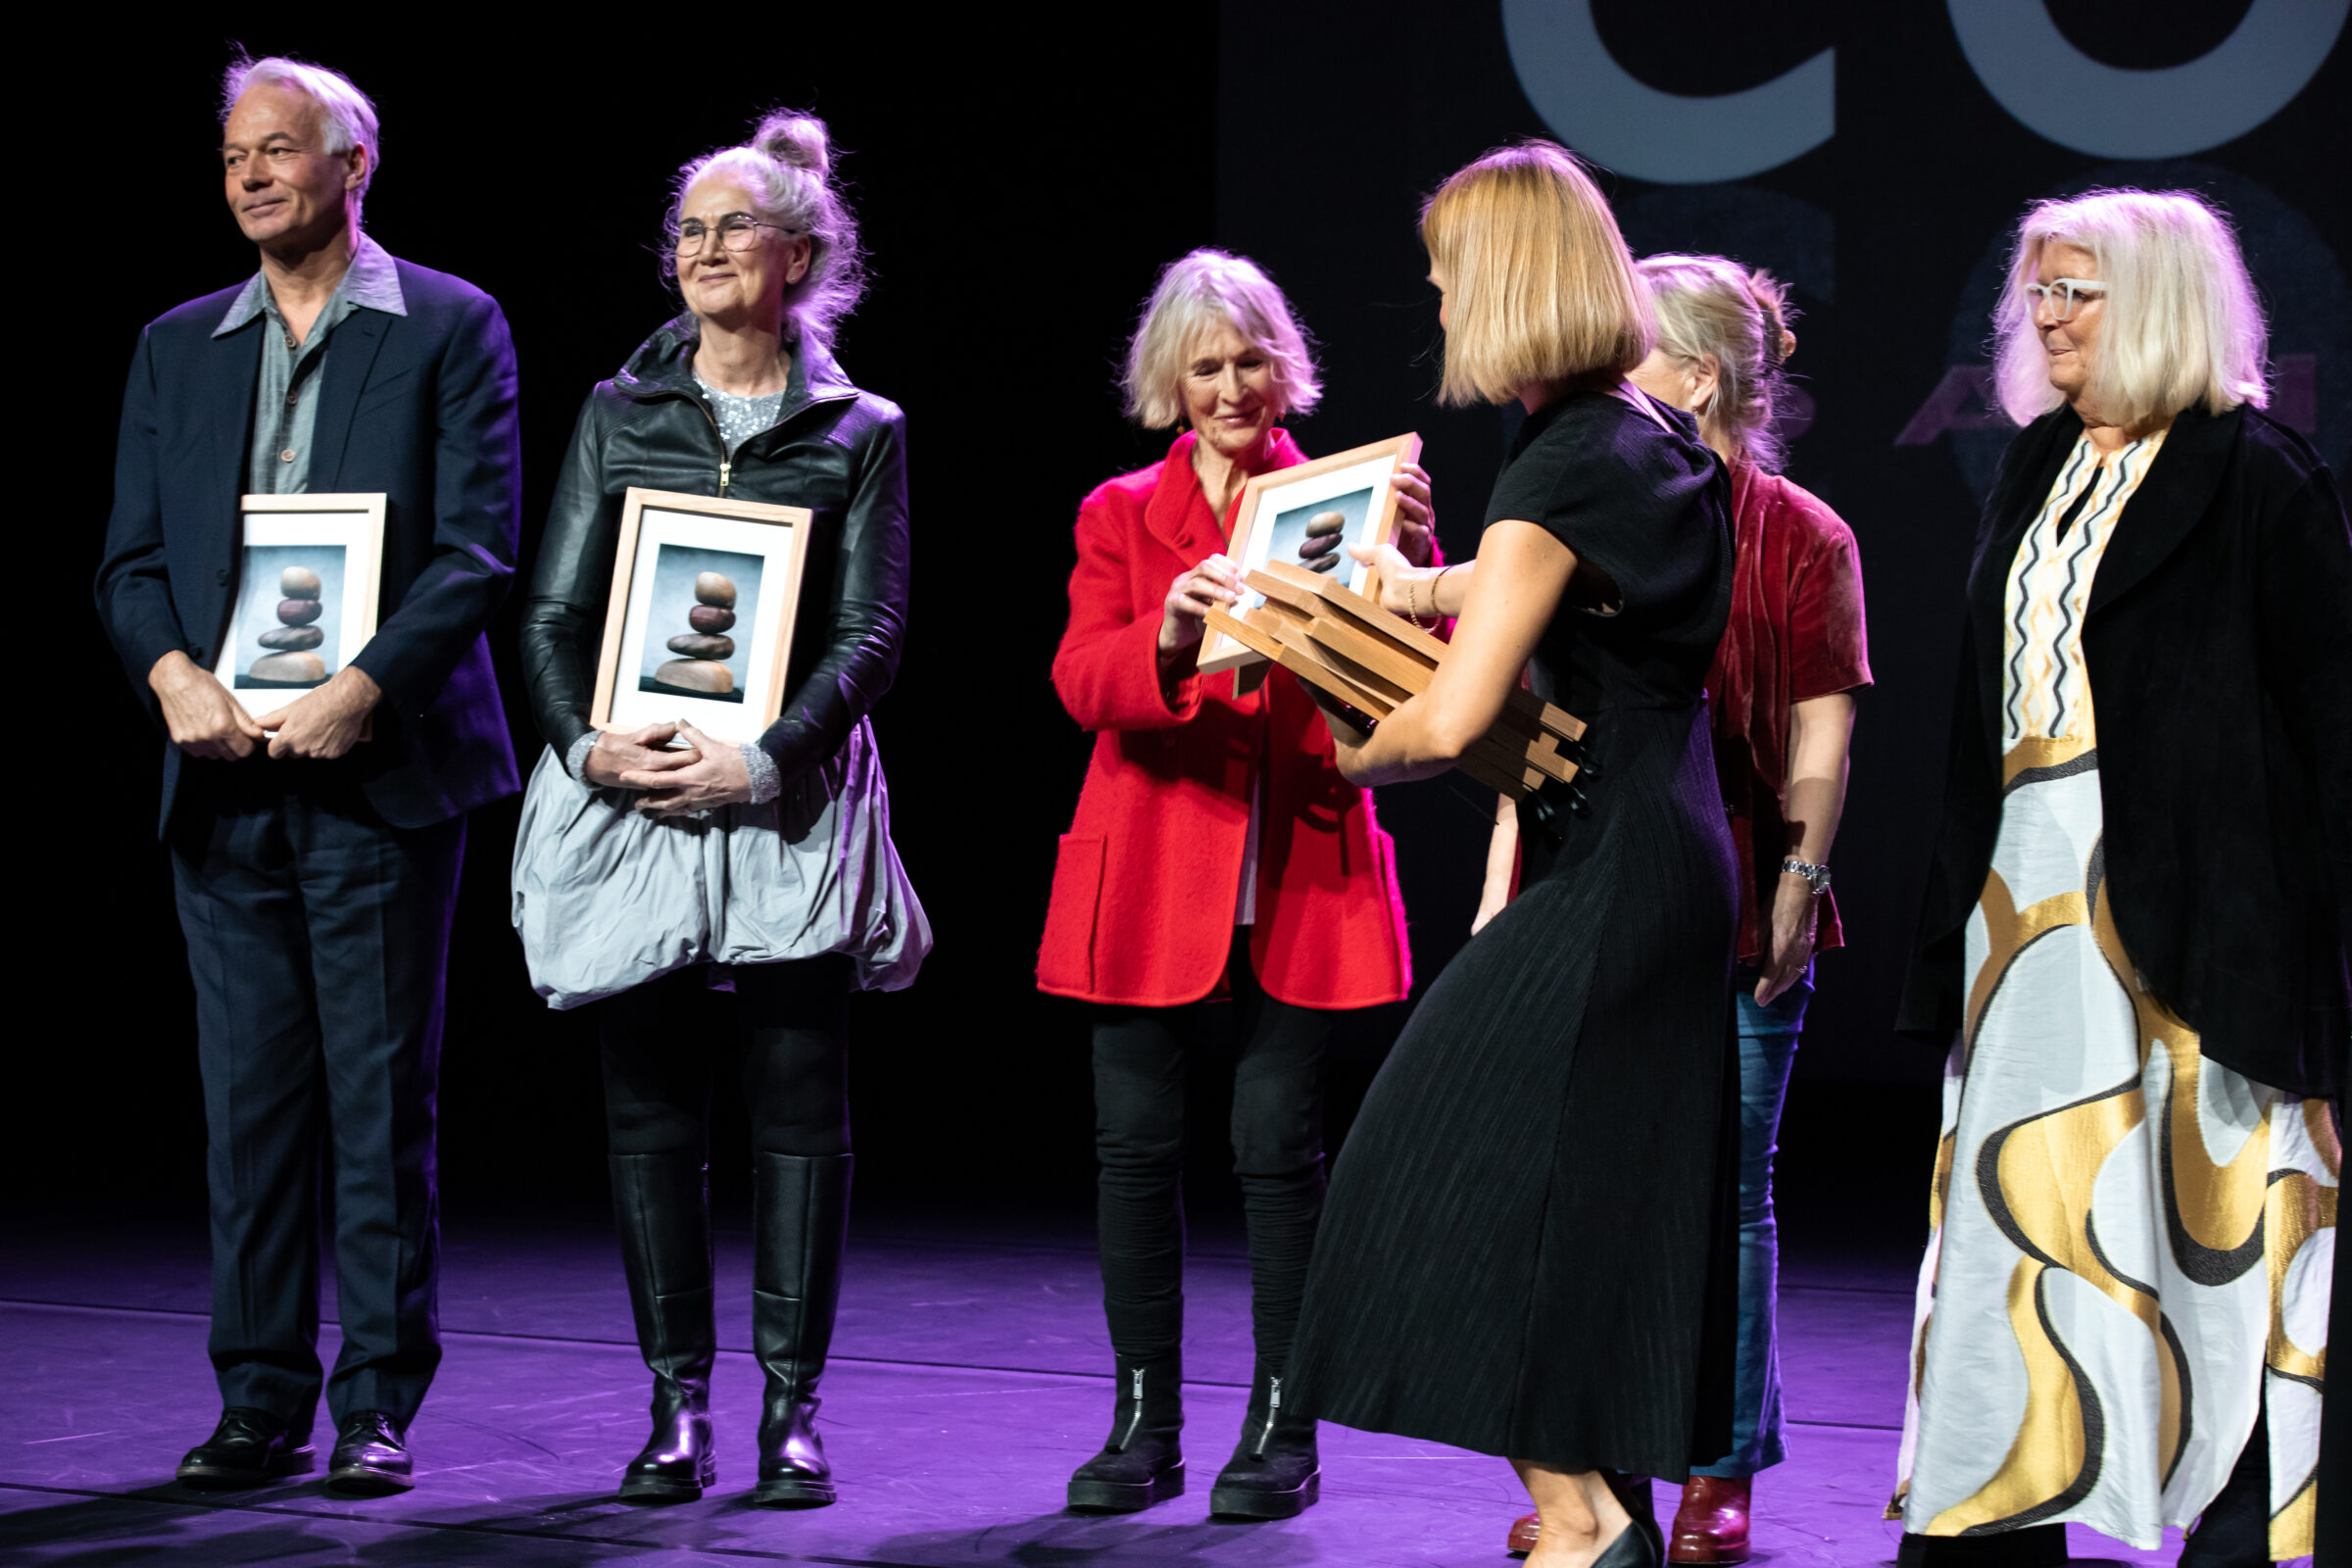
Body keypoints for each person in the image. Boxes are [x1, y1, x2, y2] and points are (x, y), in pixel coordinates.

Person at [1285, 141, 1739, 1568]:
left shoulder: (1559, 462)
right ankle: (1600, 1510)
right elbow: (1538, 574)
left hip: (1606, 867)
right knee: (1590, 1200)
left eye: (1444, 281)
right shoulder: (1649, 436)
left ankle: (1580, 1514)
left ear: (1499, 287)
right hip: (1669, 853)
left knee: (1414, 1168)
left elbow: (1456, 718)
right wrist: (1419, 583)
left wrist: (1348, 737)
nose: (1436, 306)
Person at [1889, 188, 2344, 1566]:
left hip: (2198, 926)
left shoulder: (2260, 478)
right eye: (2037, 291)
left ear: (2156, 305)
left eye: (2076, 290)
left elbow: (2328, 748)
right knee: (2025, 1224)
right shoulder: (2037, 461)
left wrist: (2324, 1007)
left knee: (2211, 1232)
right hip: (2025, 915)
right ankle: (1995, 1518)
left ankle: (2236, 1528)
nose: (2045, 317)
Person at [1396, 255, 1867, 1564]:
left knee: (1722, 1201)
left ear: (1700, 380)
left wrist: (1797, 884)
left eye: (1633, 347)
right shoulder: (1608, 489)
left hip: (1734, 898)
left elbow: (1821, 736)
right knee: (1585, 1193)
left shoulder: (1800, 532)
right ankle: (1600, 1471)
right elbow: (1540, 699)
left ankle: (1715, 1463)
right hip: (1592, 889)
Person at [94, 56, 521, 1495]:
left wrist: (363, 686)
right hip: (222, 777)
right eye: (233, 157)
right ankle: (260, 1397)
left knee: (379, 1100)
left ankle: (377, 1402)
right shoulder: (177, 345)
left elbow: (475, 548)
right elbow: (130, 562)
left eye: (280, 149)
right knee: (249, 1107)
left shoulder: (450, 323)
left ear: (355, 164)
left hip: (379, 769)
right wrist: (172, 676)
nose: (252, 176)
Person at [513, 110, 927, 1509]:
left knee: (799, 1099)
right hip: (632, 788)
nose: (700, 248)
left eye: (731, 226)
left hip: (783, 793)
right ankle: (676, 1404)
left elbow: (871, 631)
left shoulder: (862, 430)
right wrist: (584, 747)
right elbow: (553, 613)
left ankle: (792, 1410)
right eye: (686, 229)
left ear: (798, 255)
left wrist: (771, 756)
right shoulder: (619, 411)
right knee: (648, 1103)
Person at [1037, 248, 1434, 1520]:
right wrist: (1168, 634)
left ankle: (1282, 1429)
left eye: (1250, 360)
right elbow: (1079, 681)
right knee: (1134, 1153)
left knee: (1277, 1152)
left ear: (1283, 367)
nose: (1229, 388)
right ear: (1171, 378)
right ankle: (1142, 1425)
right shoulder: (1118, 513)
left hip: (1298, 864)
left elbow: (1423, 678)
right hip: (1151, 867)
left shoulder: (1348, 494)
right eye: (1204, 366)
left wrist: (1416, 566)